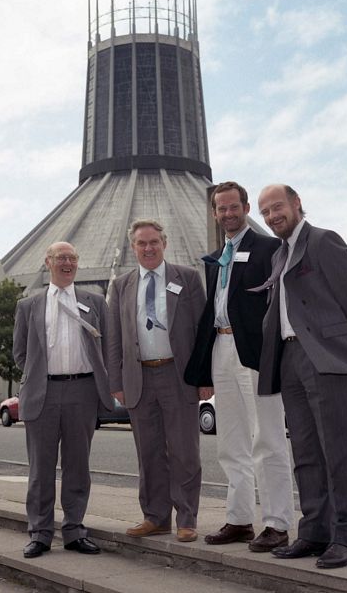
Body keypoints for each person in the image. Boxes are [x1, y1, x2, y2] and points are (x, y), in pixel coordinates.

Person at [256, 184, 347, 569]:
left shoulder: (323, 242)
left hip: (324, 358)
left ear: (296, 203)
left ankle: (344, 537)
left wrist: (345, 348)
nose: (273, 216)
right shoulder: (279, 254)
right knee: (305, 451)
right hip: (289, 357)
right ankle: (314, 531)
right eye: (266, 212)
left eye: (277, 208)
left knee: (337, 449)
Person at [185, 181, 295, 552]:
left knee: (267, 439)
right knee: (231, 442)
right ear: (214, 213)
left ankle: (277, 523)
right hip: (222, 347)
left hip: (255, 353)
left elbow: (278, 303)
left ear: (246, 208)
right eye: (221, 209)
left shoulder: (268, 248)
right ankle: (239, 519)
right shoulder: (217, 257)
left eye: (234, 207)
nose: (228, 214)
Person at [12, 241, 113, 559]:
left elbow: (108, 347)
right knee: (40, 468)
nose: (67, 263)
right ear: (48, 262)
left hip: (82, 392)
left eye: (72, 258)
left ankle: (74, 530)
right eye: (61, 258)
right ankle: (40, 533)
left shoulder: (94, 301)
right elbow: (20, 354)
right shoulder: (29, 305)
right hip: (43, 392)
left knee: (77, 466)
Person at [107, 219, 206, 543]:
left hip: (178, 376)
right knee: (148, 452)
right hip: (139, 378)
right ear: (133, 247)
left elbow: (201, 332)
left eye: (153, 242)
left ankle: (186, 519)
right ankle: (156, 517)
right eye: (141, 243)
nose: (148, 248)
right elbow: (114, 337)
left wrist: (203, 376)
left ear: (164, 243)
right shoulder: (121, 285)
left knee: (184, 451)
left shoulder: (188, 279)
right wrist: (116, 380)